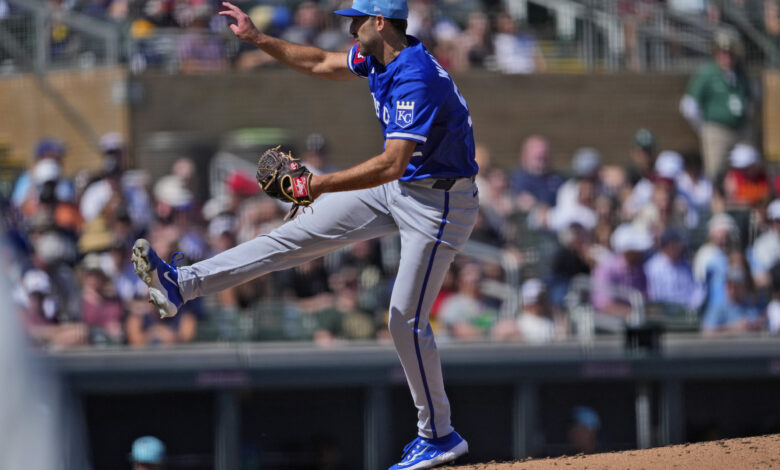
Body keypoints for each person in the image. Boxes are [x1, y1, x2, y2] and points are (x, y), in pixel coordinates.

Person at [132, 0, 477, 467]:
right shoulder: (378, 56)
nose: (350, 27)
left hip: (440, 203)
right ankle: (182, 284)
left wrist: (317, 183)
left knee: (403, 319)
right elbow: (319, 62)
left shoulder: (415, 74)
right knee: (290, 236)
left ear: (380, 22)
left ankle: (438, 434)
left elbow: (391, 161)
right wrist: (257, 39)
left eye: (356, 19)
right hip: (403, 187)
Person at [680, 27, 752, 180]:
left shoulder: (741, 74)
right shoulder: (708, 73)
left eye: (730, 52)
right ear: (716, 53)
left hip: (740, 130)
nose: (727, 57)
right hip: (716, 130)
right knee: (716, 172)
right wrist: (703, 126)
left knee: (745, 172)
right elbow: (688, 105)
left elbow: (748, 101)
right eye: (723, 52)